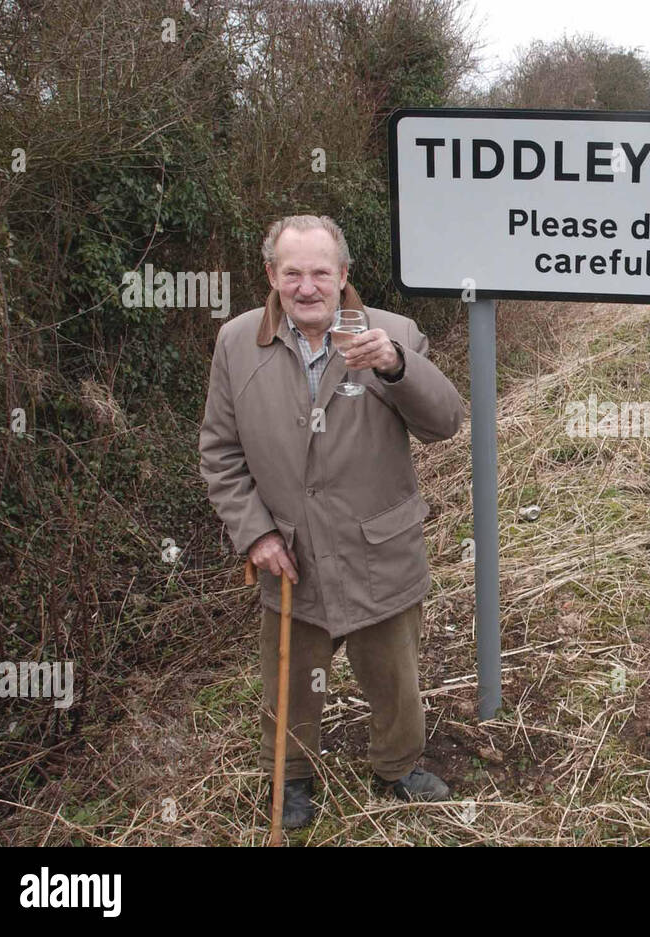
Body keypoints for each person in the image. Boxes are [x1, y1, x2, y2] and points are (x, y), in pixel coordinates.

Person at [199, 214, 465, 828]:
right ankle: (290, 779)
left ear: (344, 274)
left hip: (380, 549)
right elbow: (220, 449)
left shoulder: (392, 333)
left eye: (321, 271)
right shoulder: (238, 342)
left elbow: (444, 422)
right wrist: (257, 534)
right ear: (271, 276)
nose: (307, 286)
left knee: (395, 677)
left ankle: (397, 767)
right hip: (293, 558)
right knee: (290, 683)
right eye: (292, 272)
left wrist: (398, 366)